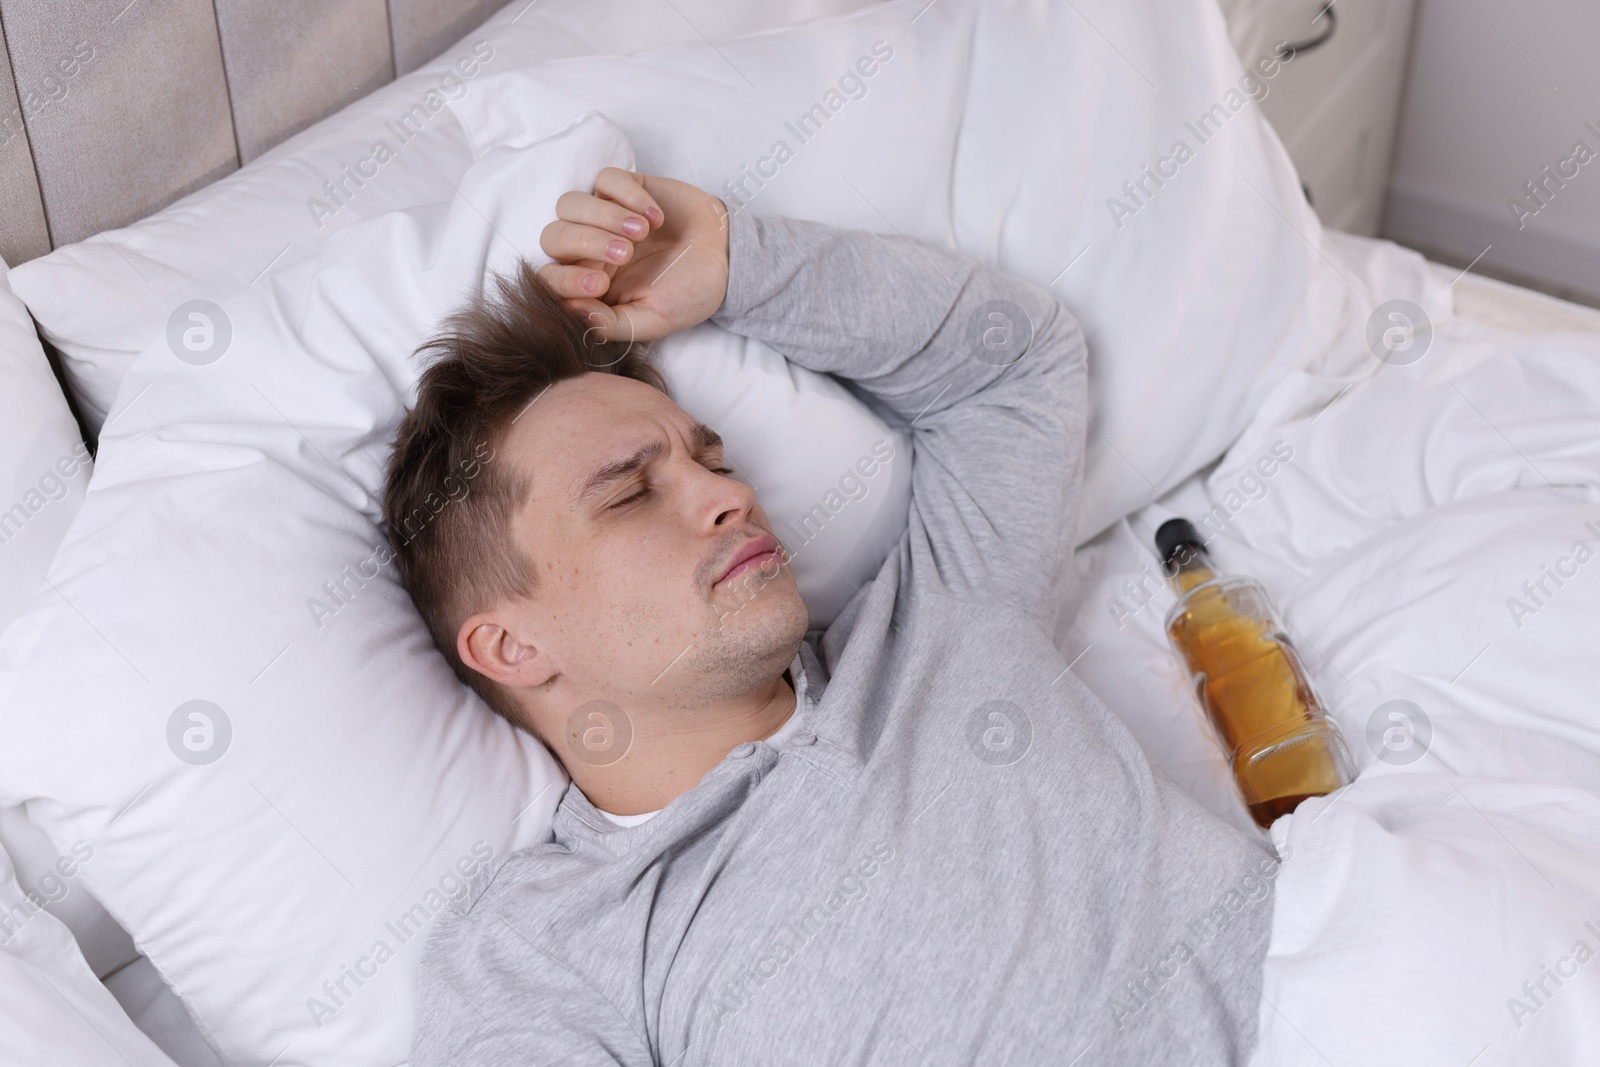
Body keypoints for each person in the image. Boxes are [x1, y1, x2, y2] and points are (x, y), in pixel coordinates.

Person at [390, 168, 1277, 1065]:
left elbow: (1017, 361)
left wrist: (740, 265)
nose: (727, 494)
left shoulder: (941, 618)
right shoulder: (548, 949)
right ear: (511, 644)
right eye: (630, 494)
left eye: (715, 458)